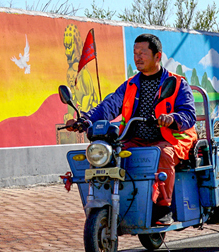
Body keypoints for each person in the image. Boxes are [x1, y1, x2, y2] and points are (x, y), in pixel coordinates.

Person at [67, 34, 198, 225]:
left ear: (157, 56)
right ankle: (113, 201)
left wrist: (172, 118)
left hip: (170, 139)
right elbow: (109, 106)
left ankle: (163, 207)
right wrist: (85, 120)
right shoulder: (130, 84)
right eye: (135, 53)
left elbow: (189, 114)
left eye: (142, 53)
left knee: (162, 155)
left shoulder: (177, 83)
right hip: (135, 139)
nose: (137, 57)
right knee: (109, 154)